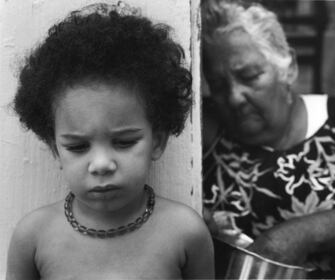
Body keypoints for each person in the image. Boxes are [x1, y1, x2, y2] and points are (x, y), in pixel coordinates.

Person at [201, 0, 335, 278]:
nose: (234, 97)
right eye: (218, 86)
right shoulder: (208, 132)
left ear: (287, 68)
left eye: (250, 76)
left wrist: (303, 233)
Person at [6, 2, 214, 279]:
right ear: (55, 150)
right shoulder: (33, 238)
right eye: (78, 147)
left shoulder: (186, 233)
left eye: (124, 142)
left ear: (157, 142)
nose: (102, 164)